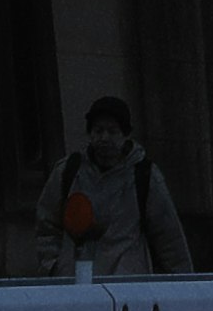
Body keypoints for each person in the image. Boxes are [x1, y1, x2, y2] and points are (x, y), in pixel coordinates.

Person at [34, 92, 193, 277]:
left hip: (126, 286)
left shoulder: (145, 176)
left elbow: (169, 237)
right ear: (90, 133)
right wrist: (53, 266)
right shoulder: (68, 171)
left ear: (125, 135)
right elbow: (46, 224)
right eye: (98, 130)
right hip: (76, 282)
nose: (104, 138)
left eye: (112, 131)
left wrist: (186, 284)